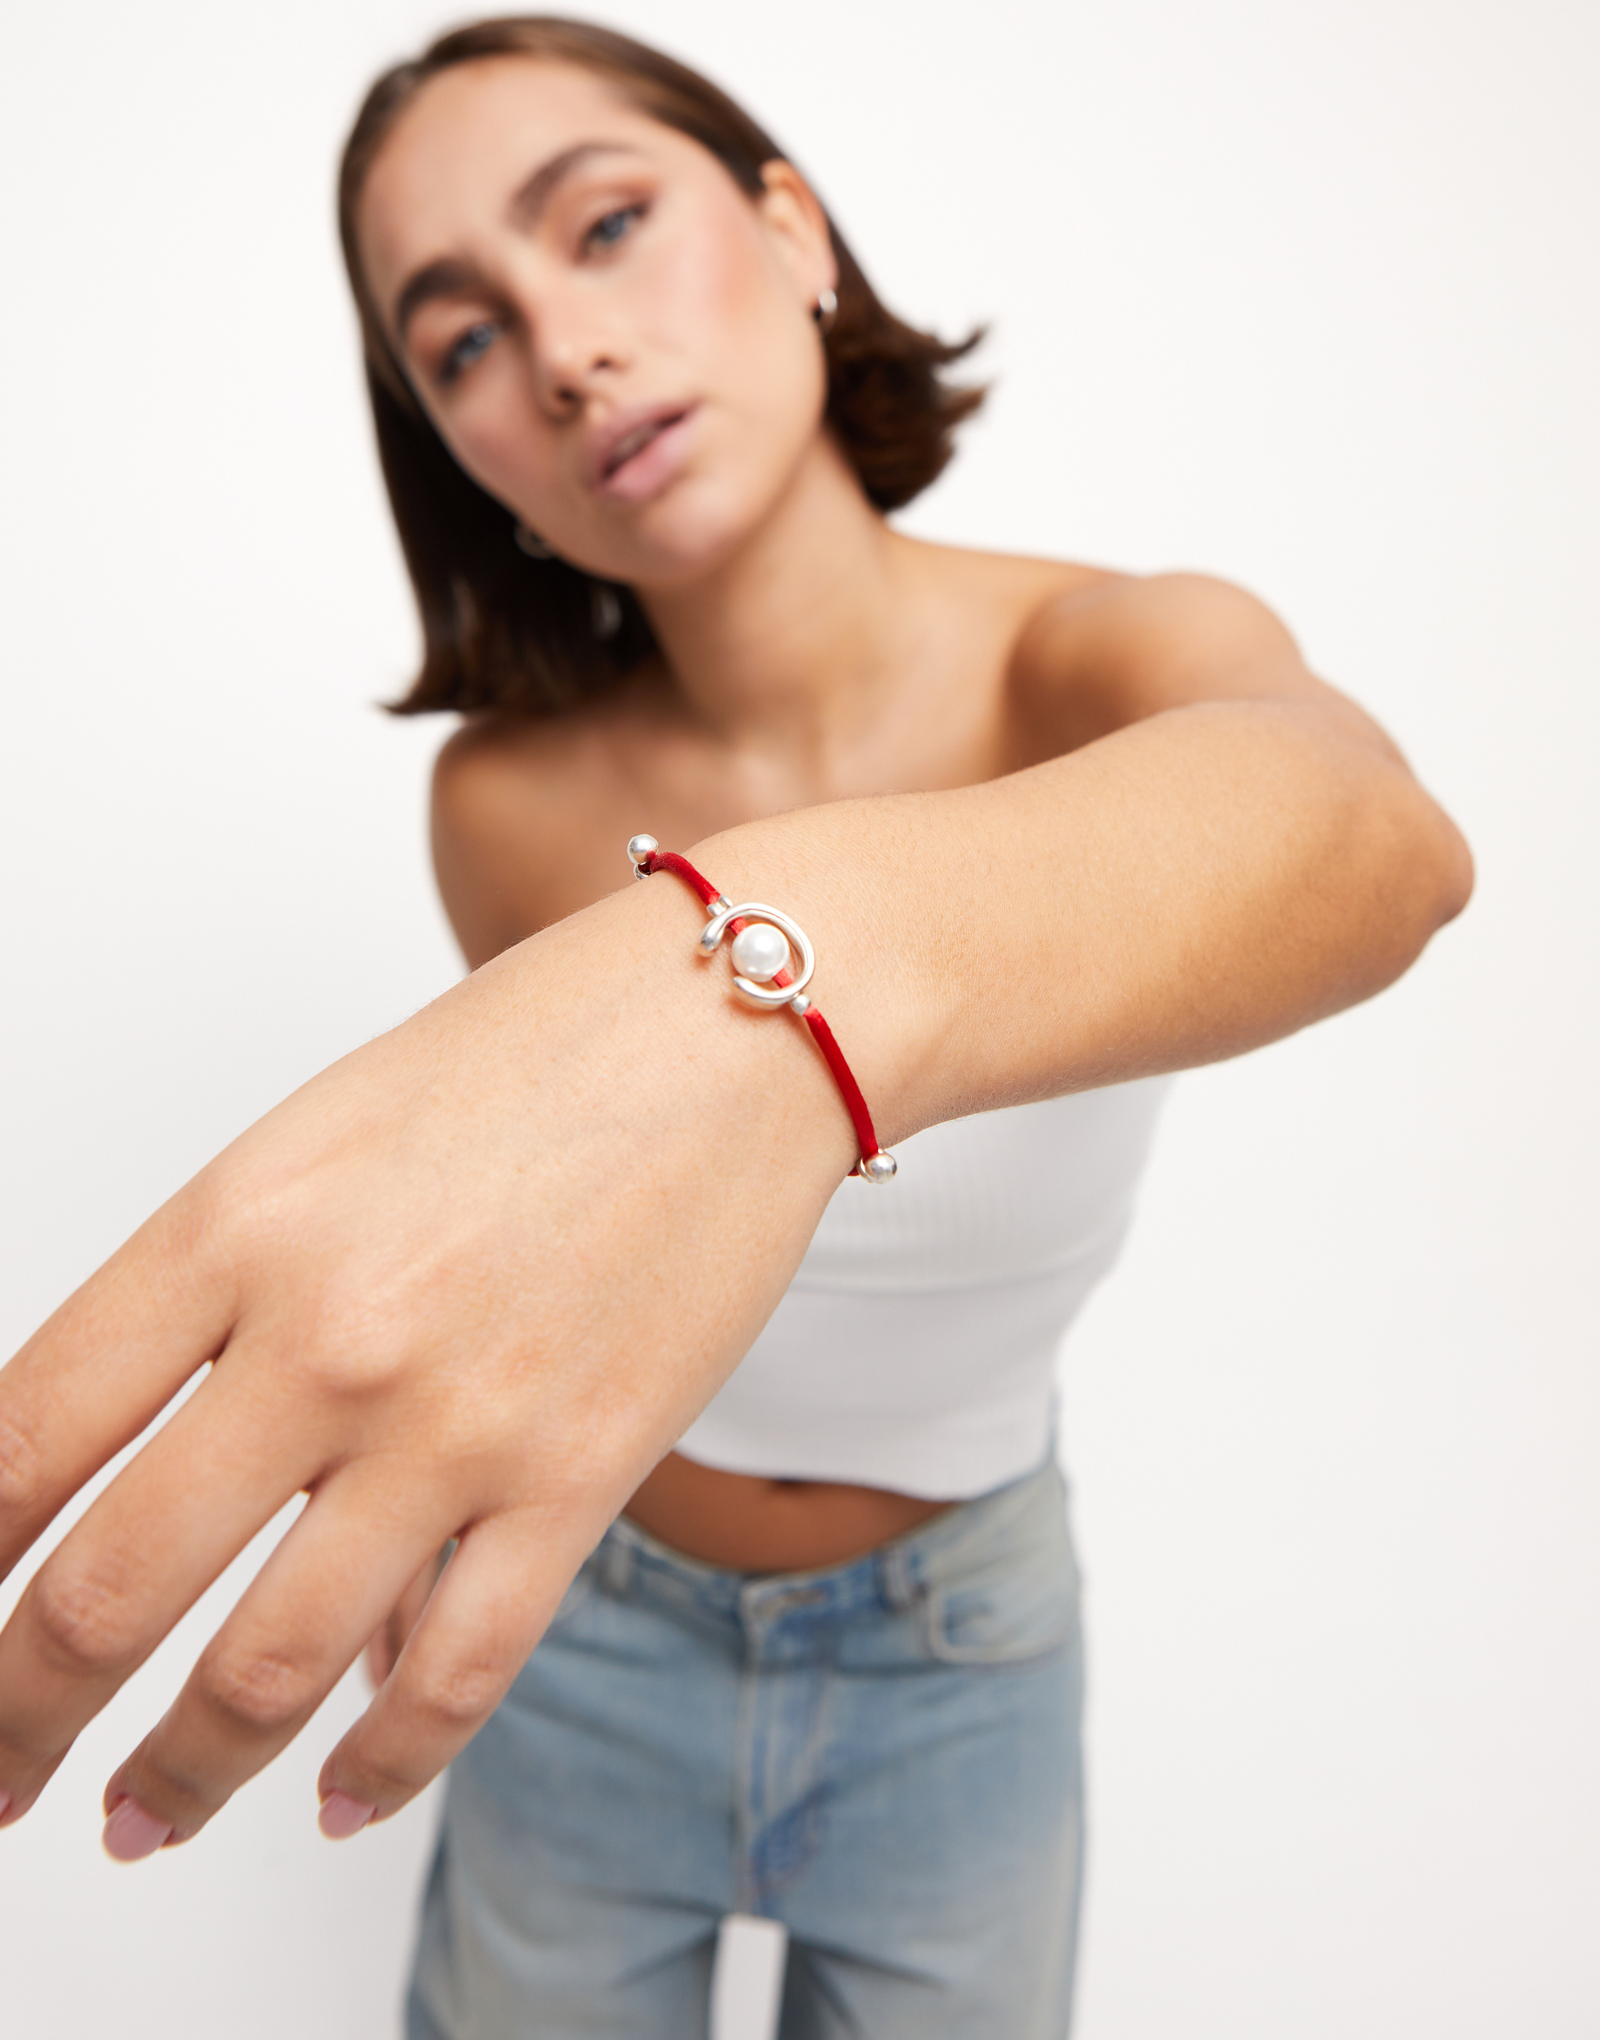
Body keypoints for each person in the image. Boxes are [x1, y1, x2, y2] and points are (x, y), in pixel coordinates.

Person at [0, 15, 1471, 2038]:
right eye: (460, 345)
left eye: (603, 224)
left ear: (792, 232)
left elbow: (1372, 836)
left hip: (965, 1650)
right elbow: (569, 1255)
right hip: (578, 1634)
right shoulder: (501, 807)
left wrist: (750, 957)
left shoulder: (1104, 653)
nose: (564, 349)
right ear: (459, 457)